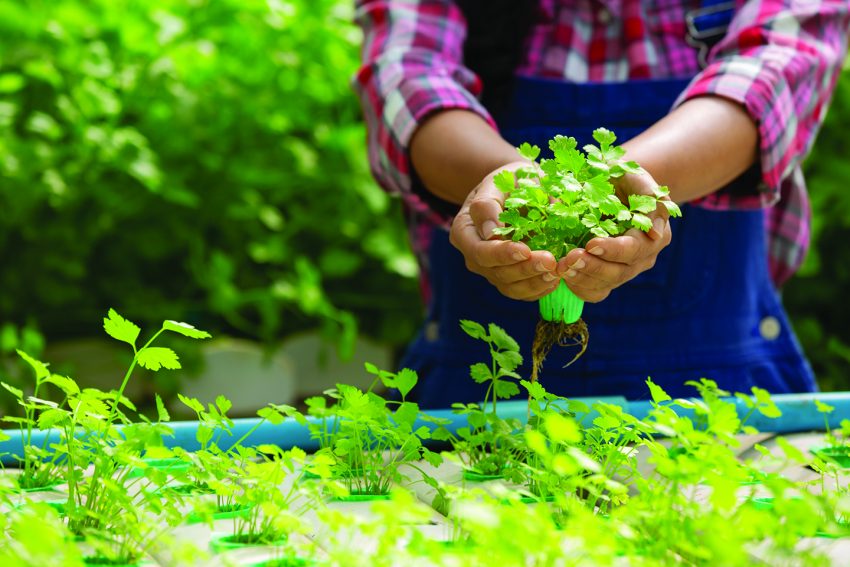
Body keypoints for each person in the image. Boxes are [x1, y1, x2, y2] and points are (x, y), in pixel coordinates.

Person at [353, 0, 850, 408]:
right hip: (478, 400)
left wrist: (618, 182)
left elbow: (776, 72)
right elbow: (405, 78)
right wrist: (507, 186)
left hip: (721, 386)